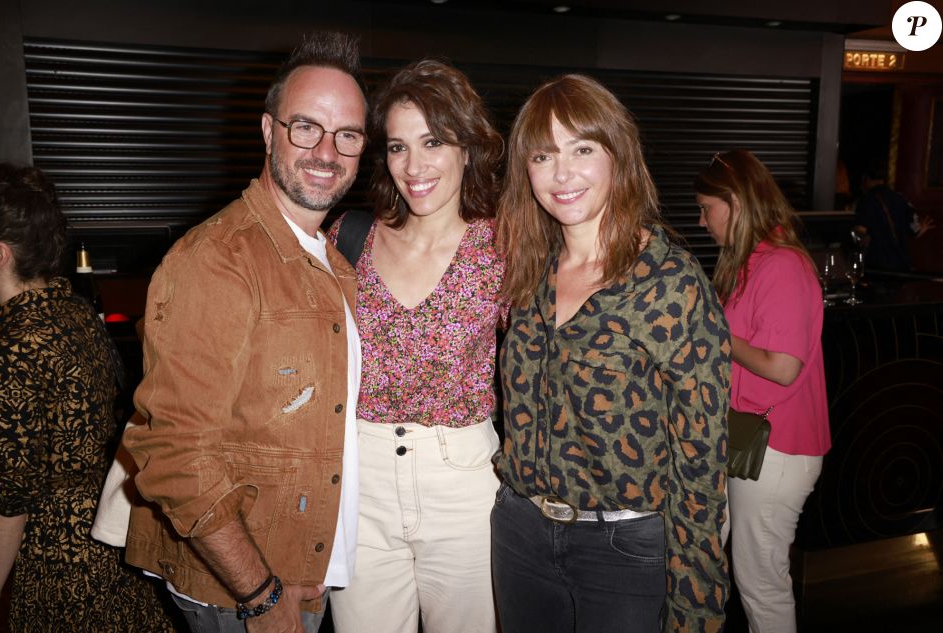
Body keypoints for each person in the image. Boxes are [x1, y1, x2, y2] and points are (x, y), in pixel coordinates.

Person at [122, 31, 366, 633]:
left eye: (348, 136)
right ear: (267, 130)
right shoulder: (219, 258)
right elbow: (174, 452)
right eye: (305, 127)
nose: (326, 152)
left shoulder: (331, 262)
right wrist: (260, 594)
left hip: (301, 570)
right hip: (241, 589)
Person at [494, 74, 731, 633]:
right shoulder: (529, 270)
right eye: (542, 155)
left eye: (582, 149)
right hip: (520, 531)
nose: (562, 173)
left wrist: (697, 607)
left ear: (617, 155)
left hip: (624, 548)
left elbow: (701, 464)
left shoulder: (669, 281)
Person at [326, 59, 504, 633]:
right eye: (399, 147)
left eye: (433, 142)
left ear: (468, 148)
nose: (414, 166)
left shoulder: (505, 246)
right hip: (360, 477)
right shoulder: (348, 237)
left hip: (464, 481)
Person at [0, 163, 174, 632]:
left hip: (57, 561)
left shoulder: (13, 347)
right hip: (111, 534)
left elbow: (10, 500)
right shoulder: (71, 309)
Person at [695, 149, 830, 633]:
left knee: (761, 581)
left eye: (707, 208)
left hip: (779, 448)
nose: (703, 220)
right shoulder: (754, 262)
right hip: (756, 441)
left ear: (734, 202)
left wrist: (718, 336)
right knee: (736, 567)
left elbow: (782, 367)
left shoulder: (780, 265)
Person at [854, 158, 933, 272]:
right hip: (901, 264)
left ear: (865, 178)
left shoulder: (867, 200)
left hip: (877, 265)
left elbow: (860, 232)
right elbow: (915, 230)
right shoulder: (900, 198)